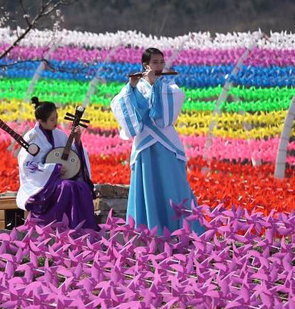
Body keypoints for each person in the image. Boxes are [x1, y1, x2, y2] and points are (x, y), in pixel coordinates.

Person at [110, 47, 203, 234]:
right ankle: (150, 231)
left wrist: (156, 85)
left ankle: (184, 230)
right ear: (145, 65)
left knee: (174, 184)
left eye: (161, 62)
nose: (159, 66)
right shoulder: (134, 88)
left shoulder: (169, 88)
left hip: (167, 144)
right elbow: (125, 107)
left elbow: (165, 117)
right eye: (155, 63)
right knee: (148, 188)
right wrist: (132, 88)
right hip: (145, 146)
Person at [16, 98, 99, 231]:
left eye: (56, 118)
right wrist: (54, 168)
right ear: (40, 121)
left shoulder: (59, 135)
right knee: (67, 186)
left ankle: (82, 228)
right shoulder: (32, 138)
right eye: (52, 119)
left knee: (82, 187)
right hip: (42, 183)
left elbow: (73, 157)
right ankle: (57, 226)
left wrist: (77, 140)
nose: (56, 122)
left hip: (59, 179)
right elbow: (27, 165)